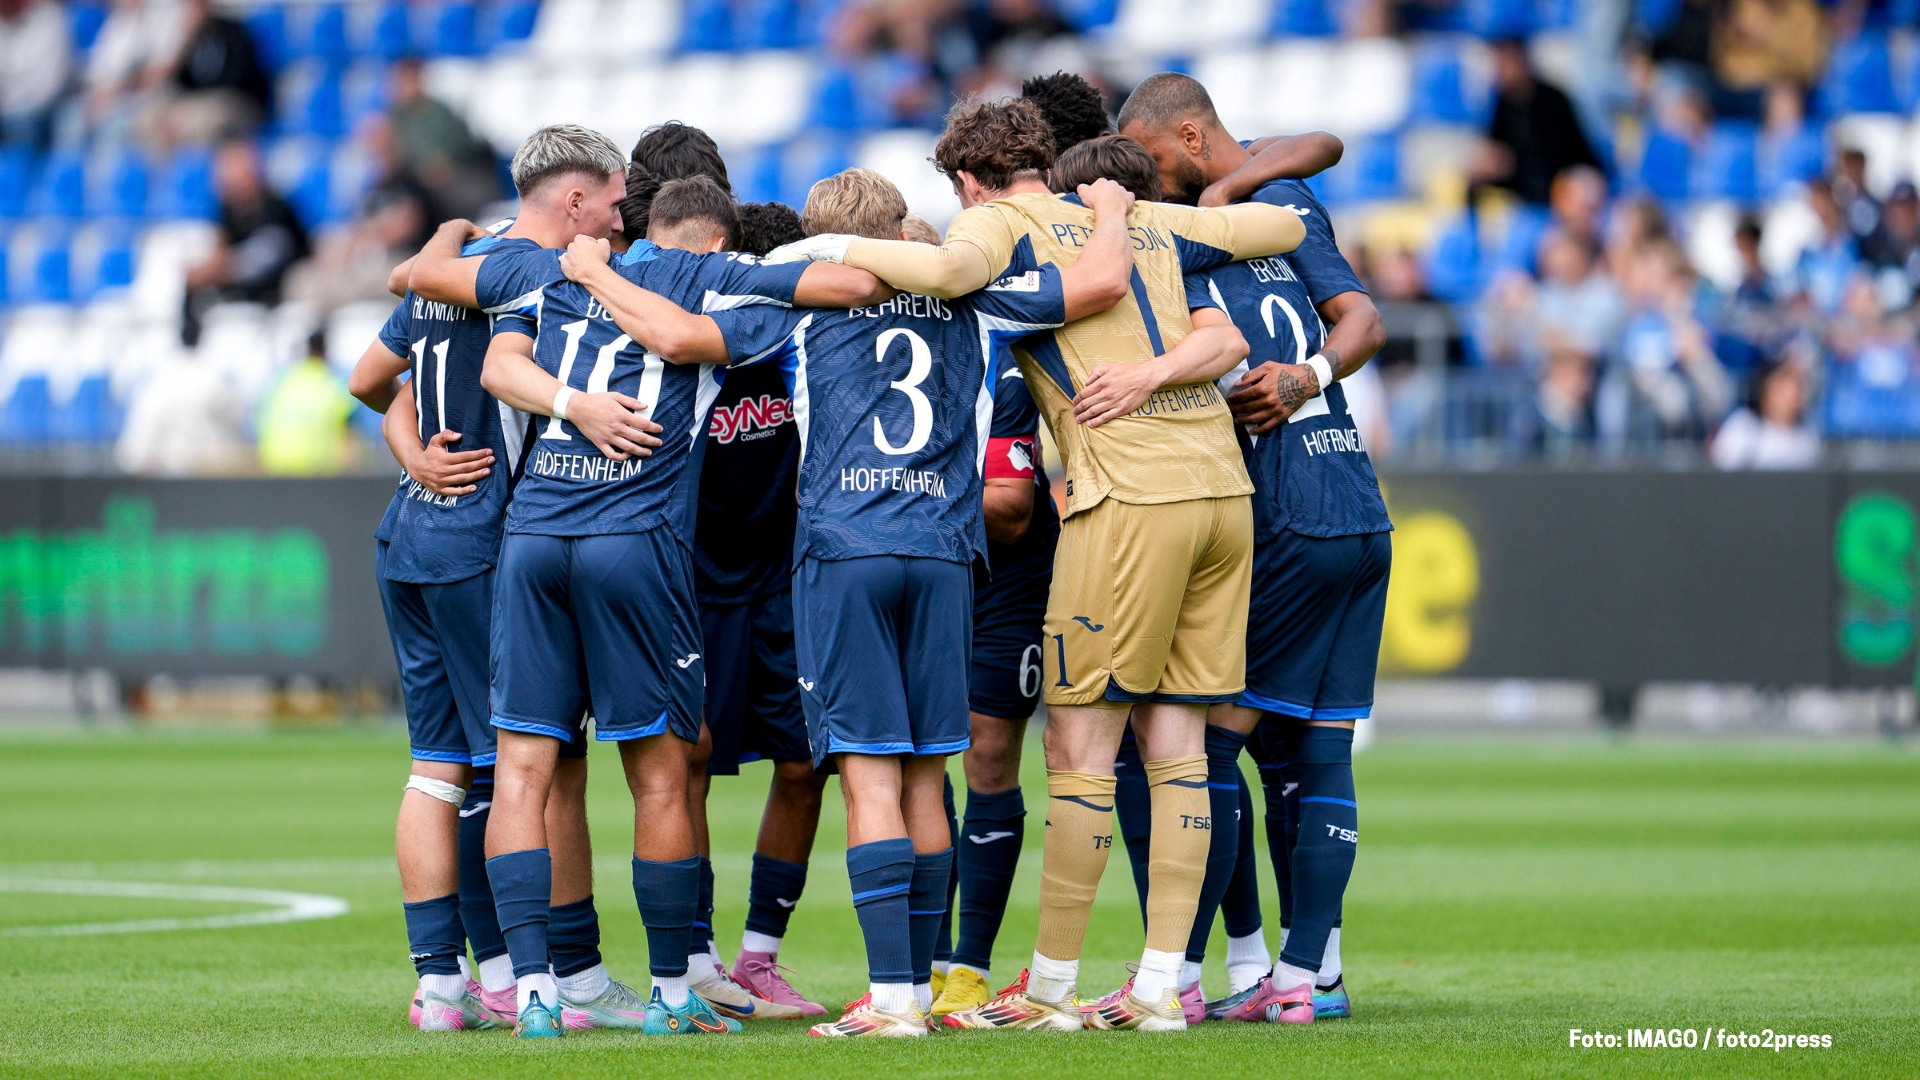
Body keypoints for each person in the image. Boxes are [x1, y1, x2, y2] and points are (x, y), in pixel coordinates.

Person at [560, 166, 1138, 1037]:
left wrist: (598, 275)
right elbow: (1100, 280)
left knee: (867, 771)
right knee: (925, 776)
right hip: (946, 552)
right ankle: (940, 982)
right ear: (899, 228)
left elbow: (679, 338)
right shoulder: (973, 297)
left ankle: (892, 1000)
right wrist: (1113, 209)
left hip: (844, 549)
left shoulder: (795, 300)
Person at [778, 96, 1304, 1031]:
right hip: (1224, 491)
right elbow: (1283, 222)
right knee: (1181, 743)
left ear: (967, 182)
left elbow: (942, 270)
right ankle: (1158, 989)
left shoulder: (999, 223)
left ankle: (1055, 989)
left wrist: (836, 250)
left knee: (1078, 746)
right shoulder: (1142, 219)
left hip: (1129, 494)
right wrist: (1123, 216)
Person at [432, 168, 885, 1038]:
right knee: (662, 771)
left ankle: (535, 992)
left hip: (533, 537)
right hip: (631, 542)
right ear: (715, 237)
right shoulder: (717, 274)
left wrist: (572, 377)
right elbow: (850, 285)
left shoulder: (547, 267)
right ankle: (676, 992)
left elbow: (494, 360)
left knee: (522, 771)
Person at [1119, 70, 1388, 1024]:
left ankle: (1181, 974)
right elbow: (1361, 311)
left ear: (1188, 139)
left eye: (1153, 163)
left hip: (1287, 514)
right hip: (1359, 504)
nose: (1148, 186)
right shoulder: (1278, 204)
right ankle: (1308, 976)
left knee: (1203, 743)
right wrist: (1318, 371)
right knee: (1321, 746)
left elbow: (1313, 142)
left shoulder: (1187, 242)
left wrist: (1299, 377)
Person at [345, 218, 526, 1031]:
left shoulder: (435, 280)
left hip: (408, 530)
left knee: (433, 768)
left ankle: (440, 986)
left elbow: (365, 380)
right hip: (478, 538)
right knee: (498, 769)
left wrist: (409, 446)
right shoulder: (527, 280)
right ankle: (499, 976)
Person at [181, 139, 310, 346]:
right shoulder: (227, 211)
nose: (227, 177)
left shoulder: (276, 208)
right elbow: (221, 247)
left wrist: (217, 269)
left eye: (234, 168)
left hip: (281, 291)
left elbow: (264, 259)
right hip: (244, 292)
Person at [1472, 38, 1604, 206]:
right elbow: (1497, 151)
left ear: (1521, 61)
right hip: (1521, 191)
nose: (1500, 71)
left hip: (1562, 183)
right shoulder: (1501, 104)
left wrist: (1512, 161)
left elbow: (1563, 153)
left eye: (1505, 63)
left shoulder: (1553, 99)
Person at [388, 56, 498, 221]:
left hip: (456, 174)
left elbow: (465, 144)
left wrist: (443, 162)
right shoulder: (397, 119)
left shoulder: (440, 111)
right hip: (417, 183)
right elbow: (398, 158)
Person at [257, 329, 355, 476]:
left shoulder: (283, 379)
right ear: (326, 352)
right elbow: (353, 434)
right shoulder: (334, 384)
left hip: (275, 465)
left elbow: (258, 416)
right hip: (318, 469)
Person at [1709, 358, 1819, 469]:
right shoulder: (1742, 426)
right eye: (1779, 387)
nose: (1785, 397)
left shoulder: (1806, 437)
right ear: (1764, 390)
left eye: (1794, 388)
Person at [0, 0, 71, 148]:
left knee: (21, 123)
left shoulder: (50, 20)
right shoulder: (3, 25)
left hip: (40, 109)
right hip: (7, 106)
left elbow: (50, 85)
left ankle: (24, 166)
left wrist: (14, 104)